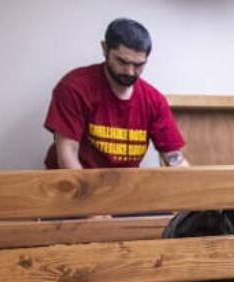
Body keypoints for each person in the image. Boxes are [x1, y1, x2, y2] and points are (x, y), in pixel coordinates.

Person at [43, 18, 188, 170]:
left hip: (124, 188)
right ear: (105, 49)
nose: (130, 72)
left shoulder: (154, 100)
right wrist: (88, 193)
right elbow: (68, 156)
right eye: (122, 62)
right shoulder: (74, 87)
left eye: (139, 65)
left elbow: (174, 158)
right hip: (74, 186)